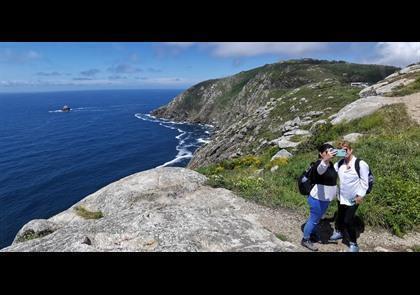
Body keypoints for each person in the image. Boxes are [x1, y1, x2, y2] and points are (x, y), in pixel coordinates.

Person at [329, 141, 370, 252]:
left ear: (351, 150)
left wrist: (360, 195)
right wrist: (329, 158)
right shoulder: (339, 163)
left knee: (348, 220)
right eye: (341, 150)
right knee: (340, 216)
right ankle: (339, 232)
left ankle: (353, 243)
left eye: (346, 149)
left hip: (353, 198)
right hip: (341, 197)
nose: (344, 152)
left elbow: (365, 182)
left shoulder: (360, 164)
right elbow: (330, 172)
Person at [301, 143, 338, 251]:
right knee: (313, 219)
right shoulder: (320, 164)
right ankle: (305, 239)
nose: (329, 154)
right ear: (321, 154)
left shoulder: (331, 165)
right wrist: (325, 160)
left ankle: (312, 234)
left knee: (317, 219)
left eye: (331, 151)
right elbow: (320, 170)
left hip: (325, 199)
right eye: (326, 152)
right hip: (317, 198)